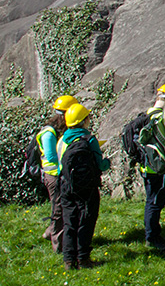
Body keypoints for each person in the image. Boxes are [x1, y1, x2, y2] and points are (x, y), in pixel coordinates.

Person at [57, 103, 110, 270]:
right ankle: (83, 258)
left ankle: (68, 260)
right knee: (86, 221)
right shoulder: (90, 140)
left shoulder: (62, 141)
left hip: (67, 186)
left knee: (69, 222)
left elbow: (60, 167)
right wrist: (107, 162)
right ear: (84, 121)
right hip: (87, 188)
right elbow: (101, 165)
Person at [141, 84, 165, 251]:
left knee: (152, 202)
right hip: (160, 168)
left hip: (148, 166)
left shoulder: (146, 115)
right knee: (156, 203)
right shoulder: (162, 118)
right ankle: (153, 237)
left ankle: (152, 234)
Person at [40, 95, 75, 253]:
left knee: (59, 207)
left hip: (59, 174)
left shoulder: (59, 130)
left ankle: (50, 233)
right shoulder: (49, 133)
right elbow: (52, 157)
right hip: (54, 175)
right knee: (59, 209)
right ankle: (59, 245)